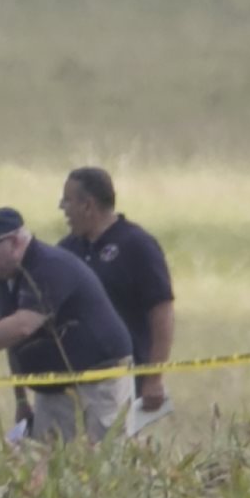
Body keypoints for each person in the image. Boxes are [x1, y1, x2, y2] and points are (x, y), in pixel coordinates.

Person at [0, 208, 134, 444]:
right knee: (48, 462)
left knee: (102, 456)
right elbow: (13, 341)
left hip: (98, 382)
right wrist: (22, 400)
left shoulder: (48, 266)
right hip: (53, 387)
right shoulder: (3, 282)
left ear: (14, 242)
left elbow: (23, 326)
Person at [58, 166, 175, 412]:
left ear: (88, 205)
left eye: (67, 201)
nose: (62, 208)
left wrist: (153, 378)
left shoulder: (137, 245)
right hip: (73, 380)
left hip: (124, 377)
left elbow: (162, 312)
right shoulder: (66, 249)